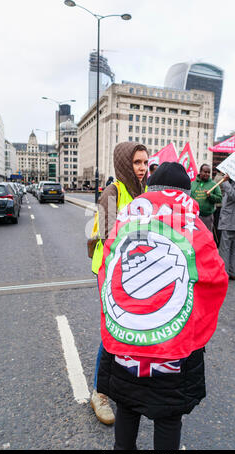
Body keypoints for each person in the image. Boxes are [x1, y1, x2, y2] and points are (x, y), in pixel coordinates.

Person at [97, 162, 228, 450]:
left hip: (126, 346)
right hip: (173, 353)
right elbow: (217, 281)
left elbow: (107, 273)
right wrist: (195, 328)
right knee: (168, 418)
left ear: (151, 187)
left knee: (127, 408)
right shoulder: (197, 228)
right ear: (185, 191)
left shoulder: (124, 220)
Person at [90, 142, 148, 425]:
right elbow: (105, 234)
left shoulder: (146, 192)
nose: (142, 167)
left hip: (134, 269)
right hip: (109, 270)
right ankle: (100, 392)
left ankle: (127, 383)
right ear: (125, 163)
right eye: (137, 162)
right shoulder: (113, 193)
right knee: (112, 330)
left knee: (131, 327)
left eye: (145, 162)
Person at [191, 163, 222, 231]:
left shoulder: (213, 184)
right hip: (194, 217)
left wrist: (210, 196)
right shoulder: (192, 184)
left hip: (207, 217)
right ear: (200, 172)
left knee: (206, 237)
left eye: (209, 172)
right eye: (205, 172)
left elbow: (219, 199)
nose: (207, 174)